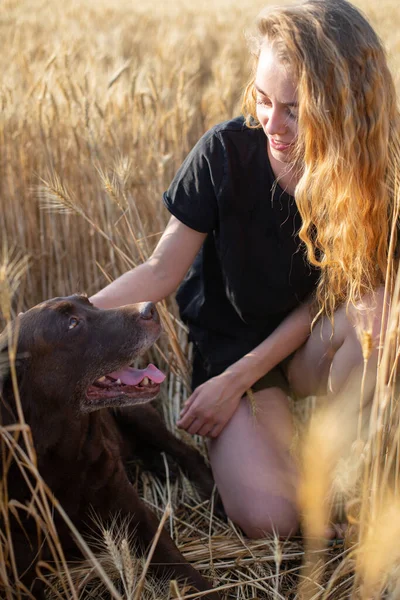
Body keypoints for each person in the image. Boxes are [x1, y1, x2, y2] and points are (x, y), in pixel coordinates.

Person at [90, 0, 399, 538]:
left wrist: (240, 378)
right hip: (229, 348)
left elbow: (327, 302)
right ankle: (282, 455)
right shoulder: (224, 154)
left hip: (313, 346)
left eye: (295, 109)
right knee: (271, 520)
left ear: (342, 108)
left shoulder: (371, 174)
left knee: (382, 312)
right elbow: (161, 270)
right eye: (262, 99)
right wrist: (61, 325)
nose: (273, 124)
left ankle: (348, 468)